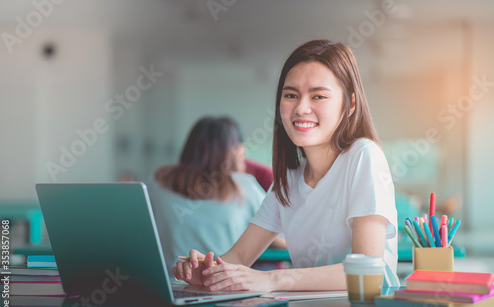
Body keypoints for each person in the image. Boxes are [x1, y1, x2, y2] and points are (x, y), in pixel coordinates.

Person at [173, 39, 400, 291]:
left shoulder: (363, 156)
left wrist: (272, 279)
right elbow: (238, 257)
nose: (301, 108)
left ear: (351, 105)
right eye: (291, 95)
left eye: (319, 96)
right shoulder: (290, 178)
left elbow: (367, 270)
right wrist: (206, 273)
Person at [149, 116, 283, 274]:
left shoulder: (156, 182)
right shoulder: (244, 185)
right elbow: (280, 237)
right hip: (222, 284)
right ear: (232, 150)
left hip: (170, 284)